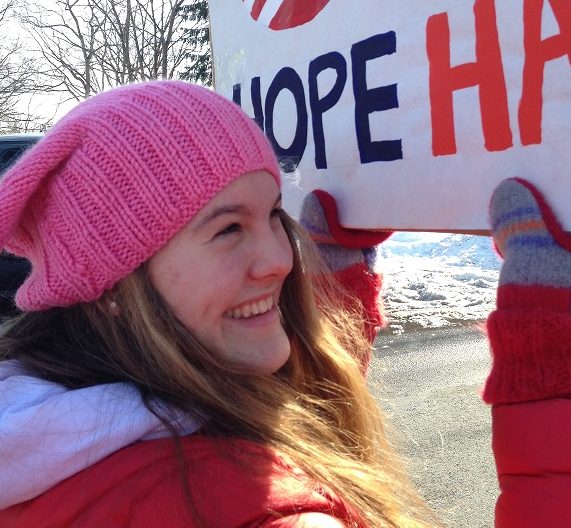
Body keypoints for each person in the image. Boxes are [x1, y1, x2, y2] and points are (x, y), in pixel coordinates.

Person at [0, 80, 437, 527]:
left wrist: (333, 301)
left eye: (272, 214)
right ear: (115, 284)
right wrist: (516, 384)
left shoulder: (35, 435)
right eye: (228, 229)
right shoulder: (260, 510)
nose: (281, 260)